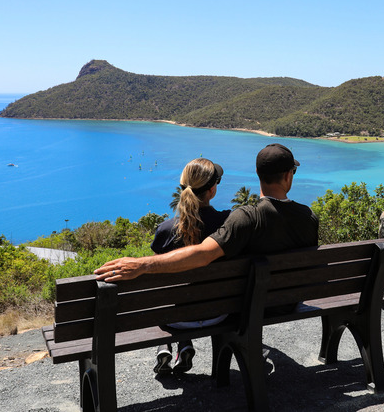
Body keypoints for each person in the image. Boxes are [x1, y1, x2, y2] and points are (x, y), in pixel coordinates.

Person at [94, 143, 319, 370]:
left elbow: (203, 254)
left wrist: (142, 265)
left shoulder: (245, 220)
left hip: (239, 308)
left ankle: (171, 347)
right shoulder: (309, 218)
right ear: (289, 176)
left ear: (259, 175)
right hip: (281, 303)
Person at [150, 158, 231, 374]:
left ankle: (173, 345)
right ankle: (183, 345)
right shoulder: (228, 224)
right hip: (219, 313)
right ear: (212, 190)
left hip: (177, 321)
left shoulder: (166, 231)